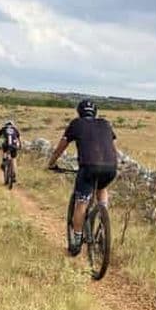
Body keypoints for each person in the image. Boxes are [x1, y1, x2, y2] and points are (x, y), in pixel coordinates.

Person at [46, 99, 118, 256]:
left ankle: (77, 241)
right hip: (111, 167)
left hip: (88, 167)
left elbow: (61, 147)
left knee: (81, 203)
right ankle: (103, 214)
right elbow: (113, 147)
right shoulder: (105, 123)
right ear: (95, 112)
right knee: (102, 187)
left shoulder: (76, 124)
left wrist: (51, 163)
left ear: (79, 112)